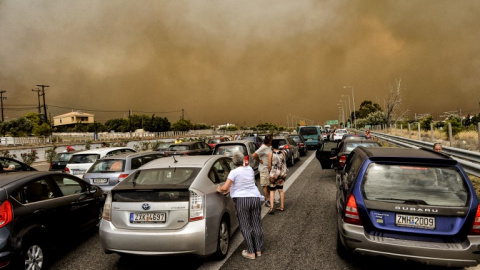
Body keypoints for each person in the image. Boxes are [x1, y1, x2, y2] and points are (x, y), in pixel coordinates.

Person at [217, 151, 264, 260]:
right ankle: (258, 249)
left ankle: (251, 252)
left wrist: (219, 189)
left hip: (242, 200)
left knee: (245, 225)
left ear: (233, 162)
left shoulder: (233, 172)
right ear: (243, 160)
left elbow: (225, 188)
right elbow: (244, 183)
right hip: (255, 198)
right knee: (256, 224)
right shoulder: (250, 169)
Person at [252, 134, 273, 207]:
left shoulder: (269, 147)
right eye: (272, 139)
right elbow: (254, 155)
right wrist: (259, 160)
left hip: (269, 169)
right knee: (265, 185)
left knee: (269, 185)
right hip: (264, 169)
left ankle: (271, 199)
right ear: (269, 140)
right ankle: (267, 200)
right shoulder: (263, 147)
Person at [267, 140, 287, 215]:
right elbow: (284, 163)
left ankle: (271, 208)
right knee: (280, 190)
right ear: (278, 145)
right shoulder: (283, 152)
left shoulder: (270, 154)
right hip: (281, 173)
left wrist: (270, 173)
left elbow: (269, 165)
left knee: (272, 191)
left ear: (272, 145)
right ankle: (282, 206)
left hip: (273, 174)